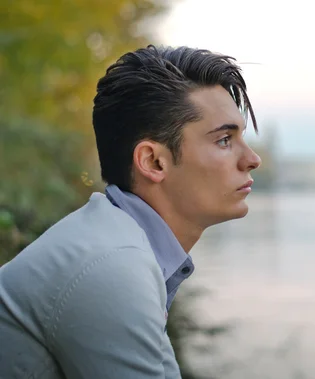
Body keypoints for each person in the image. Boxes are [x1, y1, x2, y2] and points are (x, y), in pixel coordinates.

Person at [0, 45, 262, 378]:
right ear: (153, 161)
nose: (253, 159)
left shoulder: (117, 244)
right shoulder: (110, 264)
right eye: (225, 139)